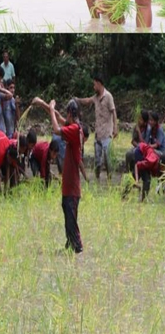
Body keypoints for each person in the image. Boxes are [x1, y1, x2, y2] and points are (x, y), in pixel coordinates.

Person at [33, 97, 89, 253]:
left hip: (71, 185)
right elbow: (58, 116)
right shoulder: (75, 128)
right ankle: (70, 244)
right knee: (68, 214)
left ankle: (77, 246)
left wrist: (50, 109)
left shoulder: (73, 130)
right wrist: (44, 104)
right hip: (70, 184)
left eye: (67, 114)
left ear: (71, 113)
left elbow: (57, 129)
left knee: (71, 217)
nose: (66, 116)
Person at [75, 74, 117, 182]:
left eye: (94, 85)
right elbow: (87, 100)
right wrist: (77, 99)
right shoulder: (96, 97)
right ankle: (98, 179)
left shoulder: (108, 96)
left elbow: (113, 112)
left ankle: (109, 179)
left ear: (99, 84)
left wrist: (115, 128)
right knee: (97, 161)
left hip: (107, 133)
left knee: (107, 159)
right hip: (98, 134)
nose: (94, 87)